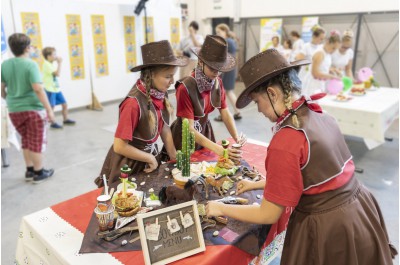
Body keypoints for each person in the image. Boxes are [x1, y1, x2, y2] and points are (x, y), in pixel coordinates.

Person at [206, 48, 397, 265]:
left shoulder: (286, 140)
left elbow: (268, 214)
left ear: (273, 93)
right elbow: (311, 177)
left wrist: (220, 207)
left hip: (329, 226)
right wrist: (255, 184)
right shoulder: (320, 115)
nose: (258, 110)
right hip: (360, 209)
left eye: (258, 102)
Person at [95, 40, 188, 187]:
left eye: (173, 76)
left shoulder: (159, 93)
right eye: (168, 76)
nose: (172, 81)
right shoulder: (133, 104)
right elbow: (119, 146)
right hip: (128, 163)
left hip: (147, 157)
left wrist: (173, 155)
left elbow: (163, 125)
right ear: (151, 75)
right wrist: (149, 158)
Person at [169, 35, 244, 163]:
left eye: (219, 69)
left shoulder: (217, 82)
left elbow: (225, 112)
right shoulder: (185, 88)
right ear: (200, 62)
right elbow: (190, 129)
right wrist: (219, 149)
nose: (216, 73)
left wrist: (236, 137)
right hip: (185, 138)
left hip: (204, 133)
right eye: (212, 68)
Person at [1, 33, 55, 183]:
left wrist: (9, 99)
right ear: (26, 48)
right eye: (30, 45)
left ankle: (29, 170)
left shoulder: (5, 64)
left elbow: (2, 88)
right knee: (36, 142)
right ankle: (39, 173)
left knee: (26, 140)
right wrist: (49, 109)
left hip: (14, 109)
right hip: (33, 110)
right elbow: (38, 88)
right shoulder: (30, 64)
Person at [42, 47, 76, 129]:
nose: (56, 56)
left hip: (56, 89)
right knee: (51, 107)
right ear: (48, 56)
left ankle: (65, 119)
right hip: (50, 89)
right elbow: (57, 74)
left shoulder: (50, 64)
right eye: (54, 54)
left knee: (64, 104)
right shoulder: (46, 64)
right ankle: (52, 123)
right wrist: (60, 63)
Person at [214, 23, 242, 121]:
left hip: (227, 70)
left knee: (224, 93)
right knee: (228, 92)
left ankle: (224, 115)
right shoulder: (229, 41)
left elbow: (224, 57)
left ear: (225, 31)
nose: (217, 34)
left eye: (219, 32)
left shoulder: (227, 42)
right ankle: (237, 112)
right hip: (229, 69)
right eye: (216, 32)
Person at [302, 30, 341, 96]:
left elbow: (322, 67)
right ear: (328, 42)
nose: (333, 51)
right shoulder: (320, 53)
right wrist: (332, 77)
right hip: (313, 84)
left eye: (335, 49)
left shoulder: (327, 53)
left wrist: (332, 70)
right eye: (333, 48)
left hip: (320, 83)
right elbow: (315, 73)